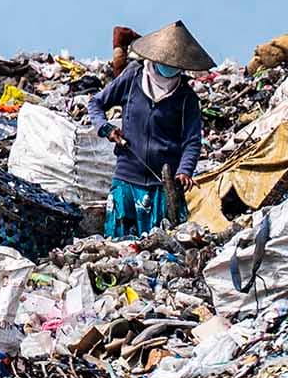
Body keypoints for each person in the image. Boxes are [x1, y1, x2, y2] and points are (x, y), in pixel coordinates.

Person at [85, 20, 212, 238]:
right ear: (155, 59)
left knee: (161, 244)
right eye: (166, 62)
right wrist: (105, 128)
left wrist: (184, 171)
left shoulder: (186, 98)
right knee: (120, 244)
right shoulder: (133, 77)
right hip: (126, 178)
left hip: (162, 185)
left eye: (176, 66)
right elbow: (96, 103)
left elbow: (192, 141)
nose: (169, 69)